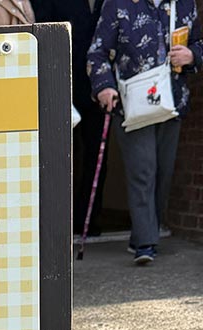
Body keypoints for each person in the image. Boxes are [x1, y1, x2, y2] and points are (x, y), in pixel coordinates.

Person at [88, 0, 203, 264]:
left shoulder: (185, 5)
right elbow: (97, 52)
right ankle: (145, 243)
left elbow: (198, 44)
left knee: (163, 173)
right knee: (143, 170)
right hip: (131, 104)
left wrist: (191, 55)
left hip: (173, 102)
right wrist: (104, 86)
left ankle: (145, 231)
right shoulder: (117, 5)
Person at [34, 0, 107, 235]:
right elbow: (42, 33)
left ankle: (87, 220)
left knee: (97, 156)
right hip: (61, 84)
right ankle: (59, 221)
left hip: (100, 87)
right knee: (62, 157)